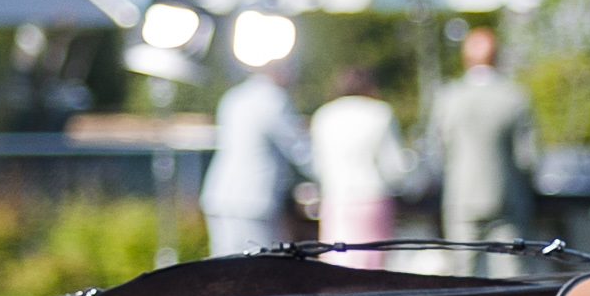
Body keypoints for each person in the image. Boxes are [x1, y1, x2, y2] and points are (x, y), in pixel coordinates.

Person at [425, 24, 538, 250]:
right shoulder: (514, 97)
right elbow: (527, 159)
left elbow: (436, 152)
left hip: (461, 198)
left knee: (461, 275)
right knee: (511, 276)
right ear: (496, 58)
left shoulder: (449, 98)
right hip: (506, 198)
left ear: (465, 59)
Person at [202, 47, 307, 259]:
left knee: (223, 272)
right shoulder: (275, 99)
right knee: (262, 273)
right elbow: (300, 150)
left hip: (220, 196)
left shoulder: (234, 96)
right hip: (254, 201)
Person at [308, 66, 413, 255]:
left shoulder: (323, 116)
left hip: (336, 198)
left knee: (337, 261)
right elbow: (395, 167)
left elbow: (317, 166)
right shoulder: (380, 113)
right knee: (372, 264)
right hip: (372, 198)